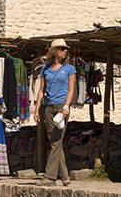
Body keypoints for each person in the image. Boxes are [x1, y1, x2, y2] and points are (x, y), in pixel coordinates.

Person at [34, 39, 75, 187]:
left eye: (66, 49)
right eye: (62, 48)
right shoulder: (45, 69)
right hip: (48, 108)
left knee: (56, 142)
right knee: (55, 143)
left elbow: (71, 90)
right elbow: (41, 90)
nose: (65, 51)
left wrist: (66, 107)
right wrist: (37, 108)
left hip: (61, 108)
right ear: (55, 51)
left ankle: (50, 177)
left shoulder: (70, 69)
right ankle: (64, 176)